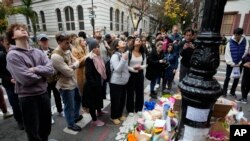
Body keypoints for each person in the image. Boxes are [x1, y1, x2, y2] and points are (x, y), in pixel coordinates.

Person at [6, 23, 54, 141]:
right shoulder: (12, 55)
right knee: (33, 131)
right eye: (18, 29)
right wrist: (43, 76)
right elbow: (26, 79)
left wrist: (35, 69)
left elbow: (51, 70)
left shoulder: (38, 52)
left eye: (24, 29)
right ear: (12, 37)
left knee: (46, 126)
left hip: (43, 94)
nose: (23, 30)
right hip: (28, 98)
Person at [51, 32, 82, 132]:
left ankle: (76, 116)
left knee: (78, 100)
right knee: (69, 106)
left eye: (69, 42)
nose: (69, 45)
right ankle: (70, 124)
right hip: (65, 85)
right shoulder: (56, 56)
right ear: (59, 42)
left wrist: (73, 66)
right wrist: (74, 66)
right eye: (66, 43)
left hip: (73, 82)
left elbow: (77, 61)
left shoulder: (67, 50)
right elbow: (68, 73)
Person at [37, 33, 63, 123]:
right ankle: (49, 116)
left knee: (57, 96)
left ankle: (60, 110)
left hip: (54, 79)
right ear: (39, 42)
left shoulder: (53, 51)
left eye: (46, 40)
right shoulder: (37, 53)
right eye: (42, 40)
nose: (44, 42)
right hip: (45, 80)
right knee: (47, 99)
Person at [0, 35, 23, 129]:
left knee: (23, 102)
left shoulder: (17, 53)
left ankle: (26, 119)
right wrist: (10, 79)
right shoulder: (1, 56)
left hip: (20, 82)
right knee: (14, 103)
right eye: (7, 44)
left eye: (11, 43)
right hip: (9, 84)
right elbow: (0, 73)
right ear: (2, 43)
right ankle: (20, 121)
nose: (10, 46)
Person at [82, 39, 106, 126]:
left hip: (98, 82)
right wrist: (94, 84)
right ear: (92, 49)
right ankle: (94, 120)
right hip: (91, 85)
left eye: (98, 46)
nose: (98, 48)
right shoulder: (89, 59)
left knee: (98, 99)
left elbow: (102, 70)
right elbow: (88, 74)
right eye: (95, 47)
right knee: (92, 102)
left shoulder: (98, 57)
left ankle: (99, 111)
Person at [223, 28, 249, 98]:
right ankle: (224, 91)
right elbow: (227, 54)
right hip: (231, 64)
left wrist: (240, 62)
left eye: (237, 35)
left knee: (236, 78)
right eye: (235, 35)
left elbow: (246, 51)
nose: (235, 36)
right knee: (227, 78)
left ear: (241, 35)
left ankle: (232, 91)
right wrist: (232, 63)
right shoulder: (230, 42)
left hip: (240, 63)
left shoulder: (245, 41)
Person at [109, 39, 130, 125]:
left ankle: (120, 114)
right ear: (117, 46)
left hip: (123, 82)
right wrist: (123, 60)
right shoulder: (115, 56)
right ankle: (114, 117)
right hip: (115, 82)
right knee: (115, 101)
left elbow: (125, 68)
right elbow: (117, 69)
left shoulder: (123, 54)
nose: (124, 42)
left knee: (122, 100)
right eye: (121, 42)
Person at [126, 37, 147, 116]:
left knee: (140, 92)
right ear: (134, 43)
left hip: (140, 74)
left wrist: (140, 67)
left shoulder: (143, 54)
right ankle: (130, 109)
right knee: (130, 92)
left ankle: (139, 108)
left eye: (140, 40)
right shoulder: (129, 53)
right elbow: (126, 65)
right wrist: (133, 69)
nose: (139, 41)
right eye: (137, 40)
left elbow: (145, 64)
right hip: (131, 74)